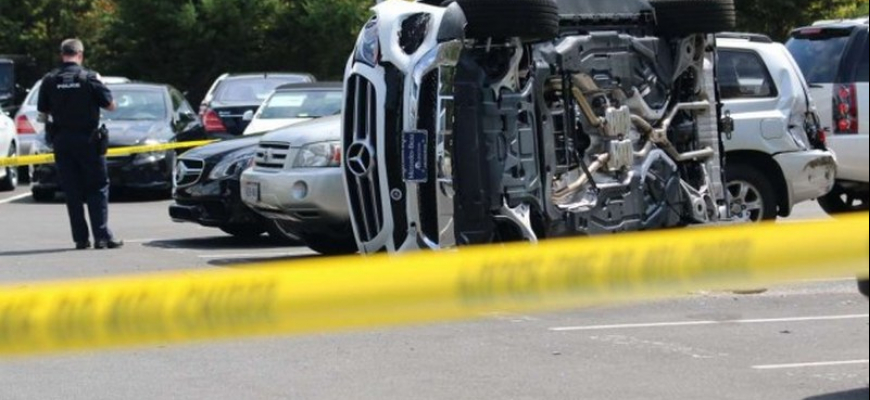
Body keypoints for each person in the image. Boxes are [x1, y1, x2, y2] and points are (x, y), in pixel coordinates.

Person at [37, 39, 123, 250]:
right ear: (81, 55)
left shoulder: (49, 79)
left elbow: (42, 114)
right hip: (88, 140)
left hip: (62, 141)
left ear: (62, 54)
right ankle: (102, 237)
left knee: (72, 191)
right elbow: (111, 106)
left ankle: (80, 239)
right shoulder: (90, 77)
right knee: (98, 187)